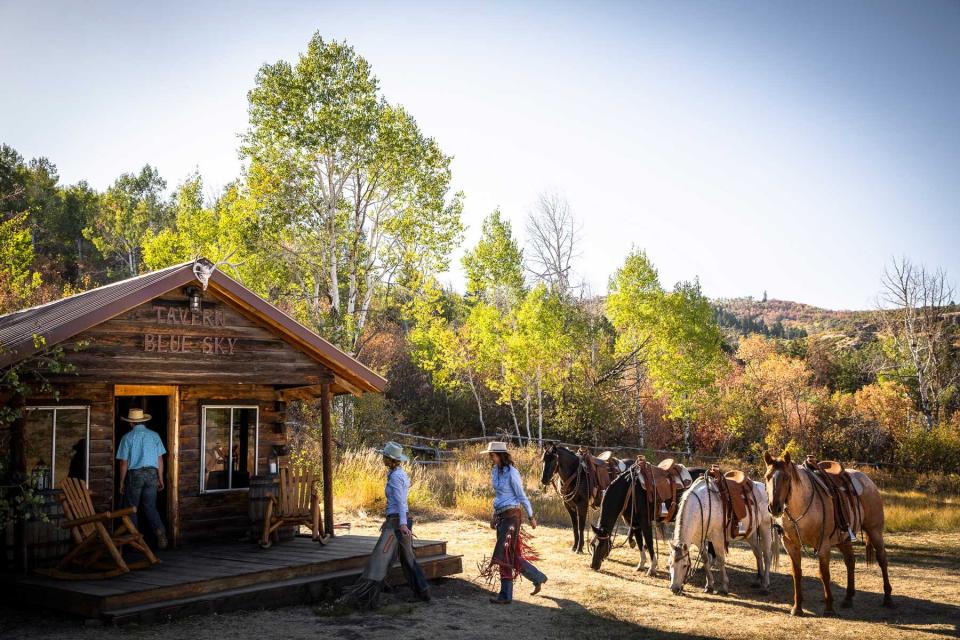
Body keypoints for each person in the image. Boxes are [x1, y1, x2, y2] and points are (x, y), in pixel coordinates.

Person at [340, 441, 431, 609]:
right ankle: (423, 591)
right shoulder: (399, 474)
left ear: (389, 459)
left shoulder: (396, 477)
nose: (382, 458)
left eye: (384, 456)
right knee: (407, 558)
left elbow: (401, 502)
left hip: (397, 524)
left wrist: (402, 524)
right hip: (396, 520)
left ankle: (365, 596)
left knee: (379, 558)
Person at [485, 441, 547, 605]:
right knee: (510, 554)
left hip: (512, 516)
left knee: (503, 553)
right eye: (490, 455)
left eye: (493, 455)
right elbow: (498, 497)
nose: (491, 458)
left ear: (501, 455)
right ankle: (537, 577)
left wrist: (531, 516)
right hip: (501, 516)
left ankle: (505, 595)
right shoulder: (495, 471)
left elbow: (521, 495)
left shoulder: (512, 473)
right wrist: (494, 515)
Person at [116, 408, 168, 549]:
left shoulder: (127, 437)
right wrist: (160, 478)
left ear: (131, 423)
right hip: (152, 474)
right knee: (150, 507)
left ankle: (136, 541)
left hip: (135, 474)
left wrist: (121, 482)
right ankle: (160, 533)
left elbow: (123, 463)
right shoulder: (154, 435)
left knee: (132, 508)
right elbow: (160, 459)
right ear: (143, 421)